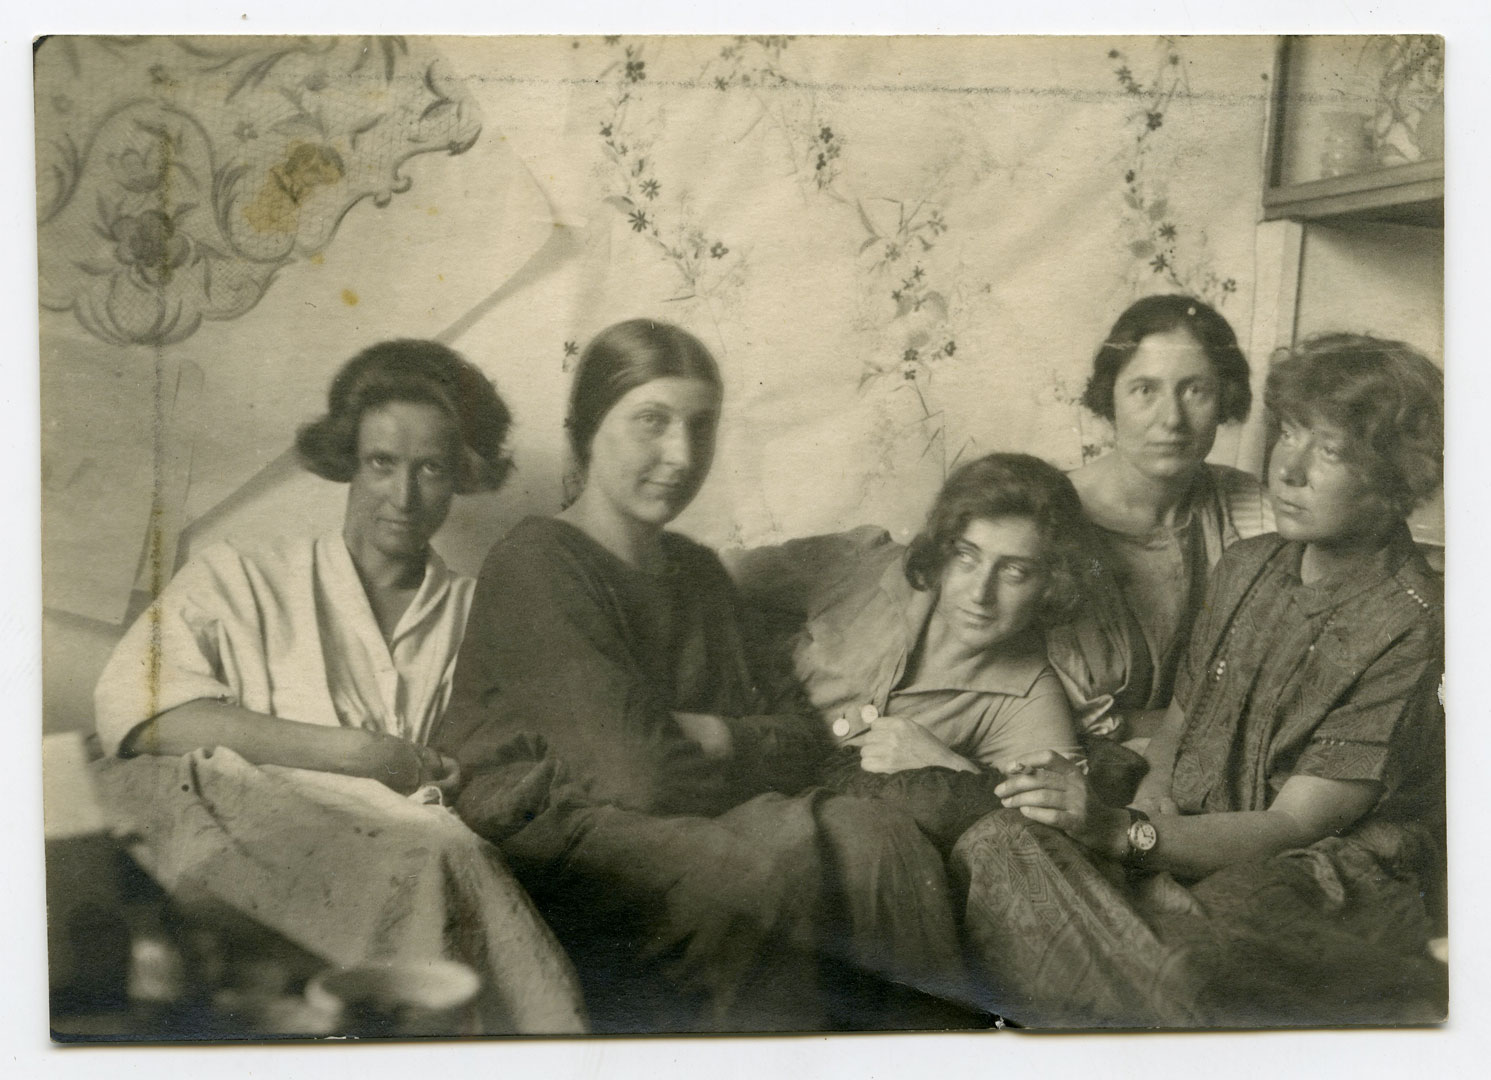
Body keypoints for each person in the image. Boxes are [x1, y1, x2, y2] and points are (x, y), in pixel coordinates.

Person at [433, 318, 968, 1033]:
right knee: (757, 875)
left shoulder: (697, 572)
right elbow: (638, 777)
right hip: (552, 835)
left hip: (682, 817)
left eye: (701, 426)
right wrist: (722, 751)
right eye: (652, 422)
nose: (682, 455)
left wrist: (712, 734)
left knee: (882, 840)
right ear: (586, 429)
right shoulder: (537, 564)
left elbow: (801, 739)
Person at [93, 339, 586, 1035]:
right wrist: (355, 753)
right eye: (382, 463)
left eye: (431, 469)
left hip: (401, 855)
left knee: (445, 856)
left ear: (461, 475)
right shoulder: (243, 575)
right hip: (249, 845)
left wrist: (461, 773)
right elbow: (133, 711)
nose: (403, 497)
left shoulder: (480, 612)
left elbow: (524, 748)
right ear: (349, 459)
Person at [954, 333, 1446, 1028]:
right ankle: (1163, 999)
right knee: (998, 840)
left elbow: (1292, 825)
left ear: (1398, 480)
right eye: (1290, 433)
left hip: (1315, 867)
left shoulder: (1413, 623)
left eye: (1331, 451)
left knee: (1221, 929)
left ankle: (1161, 1007)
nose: (1288, 469)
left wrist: (1126, 837)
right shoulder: (1247, 565)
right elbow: (1181, 727)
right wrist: (1150, 805)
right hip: (1191, 830)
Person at [728, 453, 1089, 848]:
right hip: (725, 758)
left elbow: (1055, 828)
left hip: (814, 837)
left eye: (1014, 571)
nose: (979, 593)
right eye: (966, 555)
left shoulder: (1029, 698)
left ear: (1051, 584)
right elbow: (718, 578)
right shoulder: (866, 565)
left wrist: (948, 766)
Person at [1050, 295, 1273, 743]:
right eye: (1145, 390)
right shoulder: (1048, 518)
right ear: (1110, 398)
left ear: (1224, 398)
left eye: (1195, 391)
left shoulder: (1252, 507)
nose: (1172, 419)